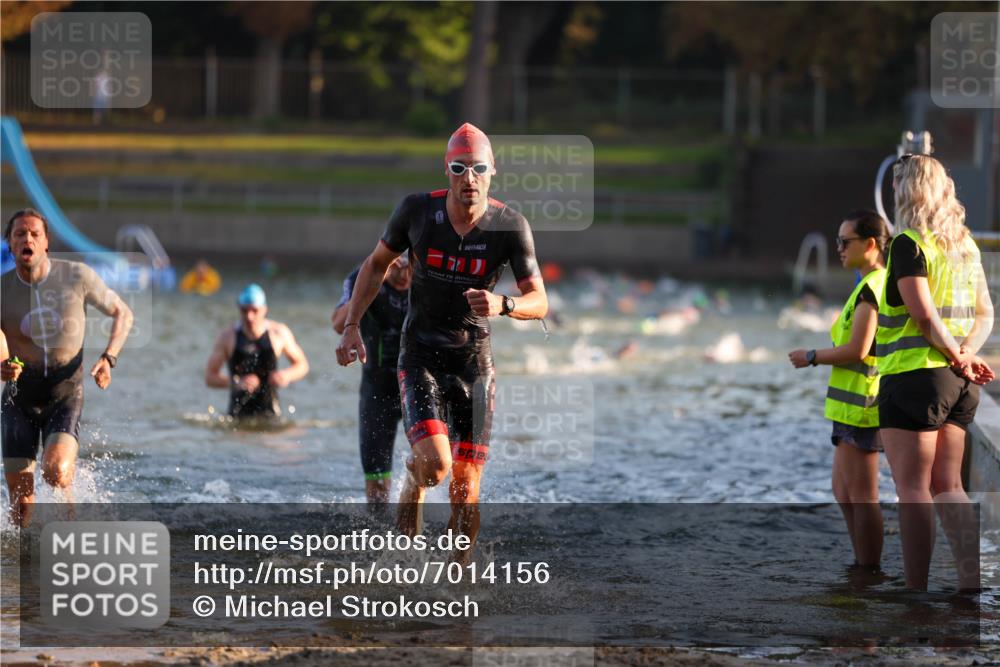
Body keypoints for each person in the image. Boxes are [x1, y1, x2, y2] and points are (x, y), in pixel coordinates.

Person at [336, 123, 548, 558]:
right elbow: (375, 265)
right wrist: (353, 324)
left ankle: (459, 589)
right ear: (446, 171)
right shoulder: (416, 212)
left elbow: (539, 300)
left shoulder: (509, 226)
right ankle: (413, 479)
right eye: (459, 168)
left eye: (478, 169)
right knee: (435, 469)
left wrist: (504, 305)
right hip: (420, 356)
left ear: (492, 172)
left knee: (465, 488)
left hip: (474, 361)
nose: (468, 178)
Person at [876, 154, 995, 590]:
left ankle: (916, 591)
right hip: (959, 385)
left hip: (914, 379)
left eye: (896, 187)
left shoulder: (908, 244)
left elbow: (923, 317)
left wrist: (955, 355)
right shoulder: (964, 245)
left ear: (907, 191)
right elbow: (986, 314)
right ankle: (971, 584)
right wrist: (965, 356)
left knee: (913, 490)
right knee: (949, 486)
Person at [1, 208, 134, 527]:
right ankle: (24, 567)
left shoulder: (76, 277)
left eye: (35, 233)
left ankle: (72, 536)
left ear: (46, 242)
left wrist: (109, 357)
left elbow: (123, 313)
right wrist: (1, 365)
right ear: (9, 243)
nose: (27, 238)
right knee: (21, 510)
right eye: (20, 233)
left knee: (56, 473)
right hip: (18, 399)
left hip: (64, 395)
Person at [789, 210, 890, 571]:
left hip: (863, 405)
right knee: (843, 492)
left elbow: (858, 349)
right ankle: (861, 565)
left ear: (871, 244)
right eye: (837, 242)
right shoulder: (864, 285)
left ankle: (868, 571)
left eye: (845, 242)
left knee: (863, 498)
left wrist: (812, 356)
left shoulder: (873, 288)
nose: (839, 249)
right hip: (847, 407)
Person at [332, 255, 411, 504]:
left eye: (410, 262)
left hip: (417, 385)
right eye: (399, 262)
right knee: (377, 481)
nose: (403, 270)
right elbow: (337, 323)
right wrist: (376, 280)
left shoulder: (429, 276)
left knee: (432, 462)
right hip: (377, 388)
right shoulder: (364, 275)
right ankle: (380, 534)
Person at [205, 284, 309, 420]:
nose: (249, 316)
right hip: (236, 419)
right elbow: (209, 377)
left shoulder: (278, 333)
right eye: (244, 310)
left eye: (255, 310)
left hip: (271, 415)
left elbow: (302, 365)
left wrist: (286, 375)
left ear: (264, 310)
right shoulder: (227, 337)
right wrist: (236, 383)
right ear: (239, 309)